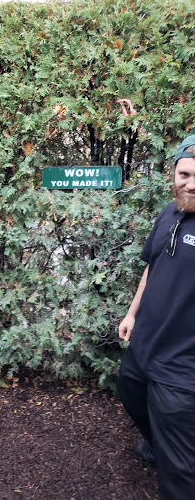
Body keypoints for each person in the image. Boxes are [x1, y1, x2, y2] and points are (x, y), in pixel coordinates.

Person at [117, 135, 195, 500]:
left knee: (180, 476)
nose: (191, 184)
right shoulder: (169, 211)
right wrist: (132, 313)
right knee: (130, 393)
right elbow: (153, 266)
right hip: (145, 342)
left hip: (181, 363)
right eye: (185, 174)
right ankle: (156, 444)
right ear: (174, 172)